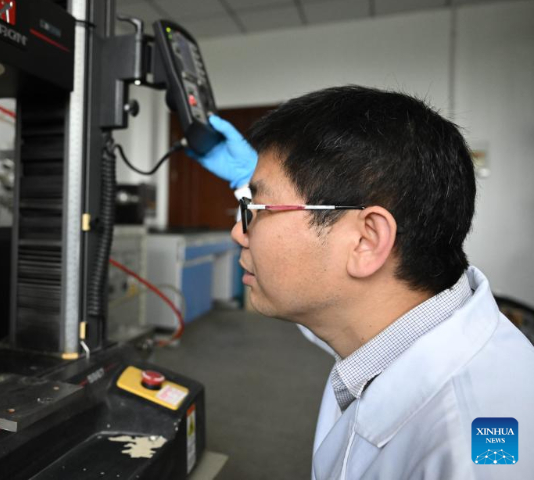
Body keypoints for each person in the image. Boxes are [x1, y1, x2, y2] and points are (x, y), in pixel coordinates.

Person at [192, 86, 534, 479]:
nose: (239, 231)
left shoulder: (475, 453)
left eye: (257, 209)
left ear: (366, 239)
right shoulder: (392, 325)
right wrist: (250, 186)